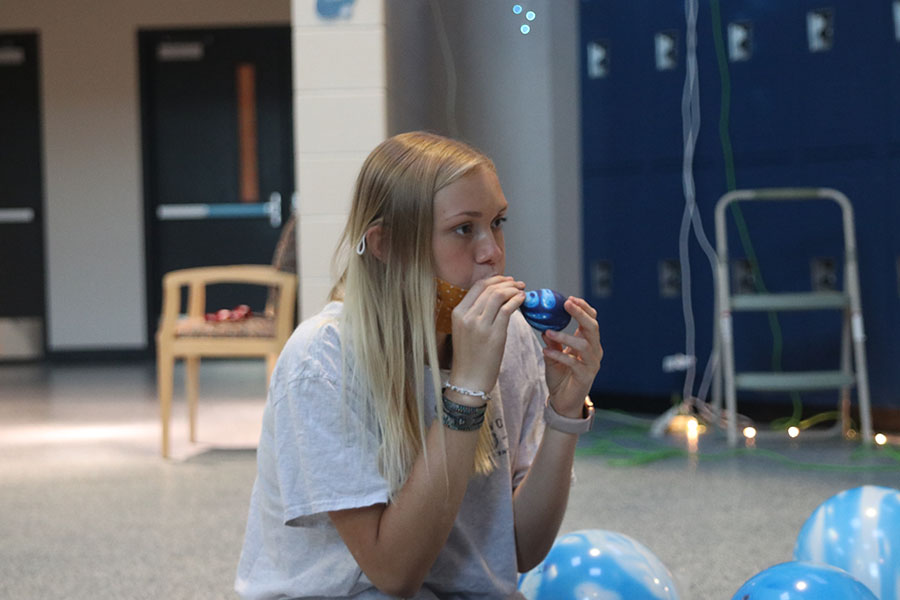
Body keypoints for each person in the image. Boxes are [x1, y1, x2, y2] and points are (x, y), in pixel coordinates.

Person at [235, 131, 603, 599]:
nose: (492, 250)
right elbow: (395, 576)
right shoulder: (322, 361)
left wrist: (564, 414)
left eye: (497, 222)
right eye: (464, 229)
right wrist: (467, 390)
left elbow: (519, 550)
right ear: (386, 245)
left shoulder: (509, 339)